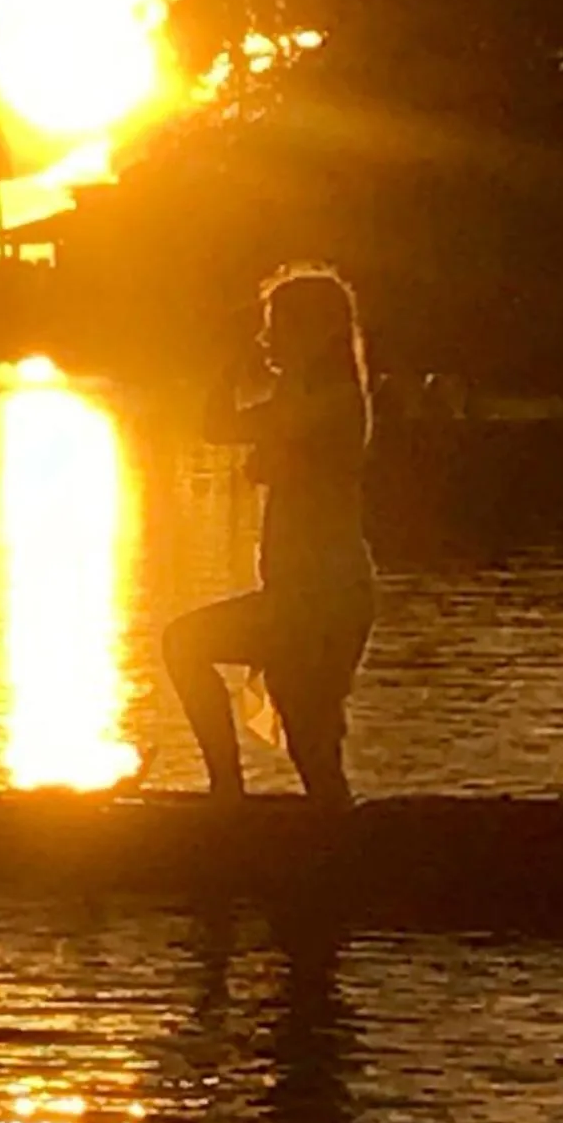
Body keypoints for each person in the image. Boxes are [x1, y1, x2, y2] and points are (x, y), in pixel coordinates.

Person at [162, 265, 375, 806]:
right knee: (309, 735)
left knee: (187, 645)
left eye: (278, 325)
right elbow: (217, 428)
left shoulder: (332, 400)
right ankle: (297, 815)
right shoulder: (299, 397)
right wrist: (234, 362)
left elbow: (266, 434)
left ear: (318, 329)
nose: (267, 337)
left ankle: (230, 794)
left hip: (321, 600)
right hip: (298, 596)